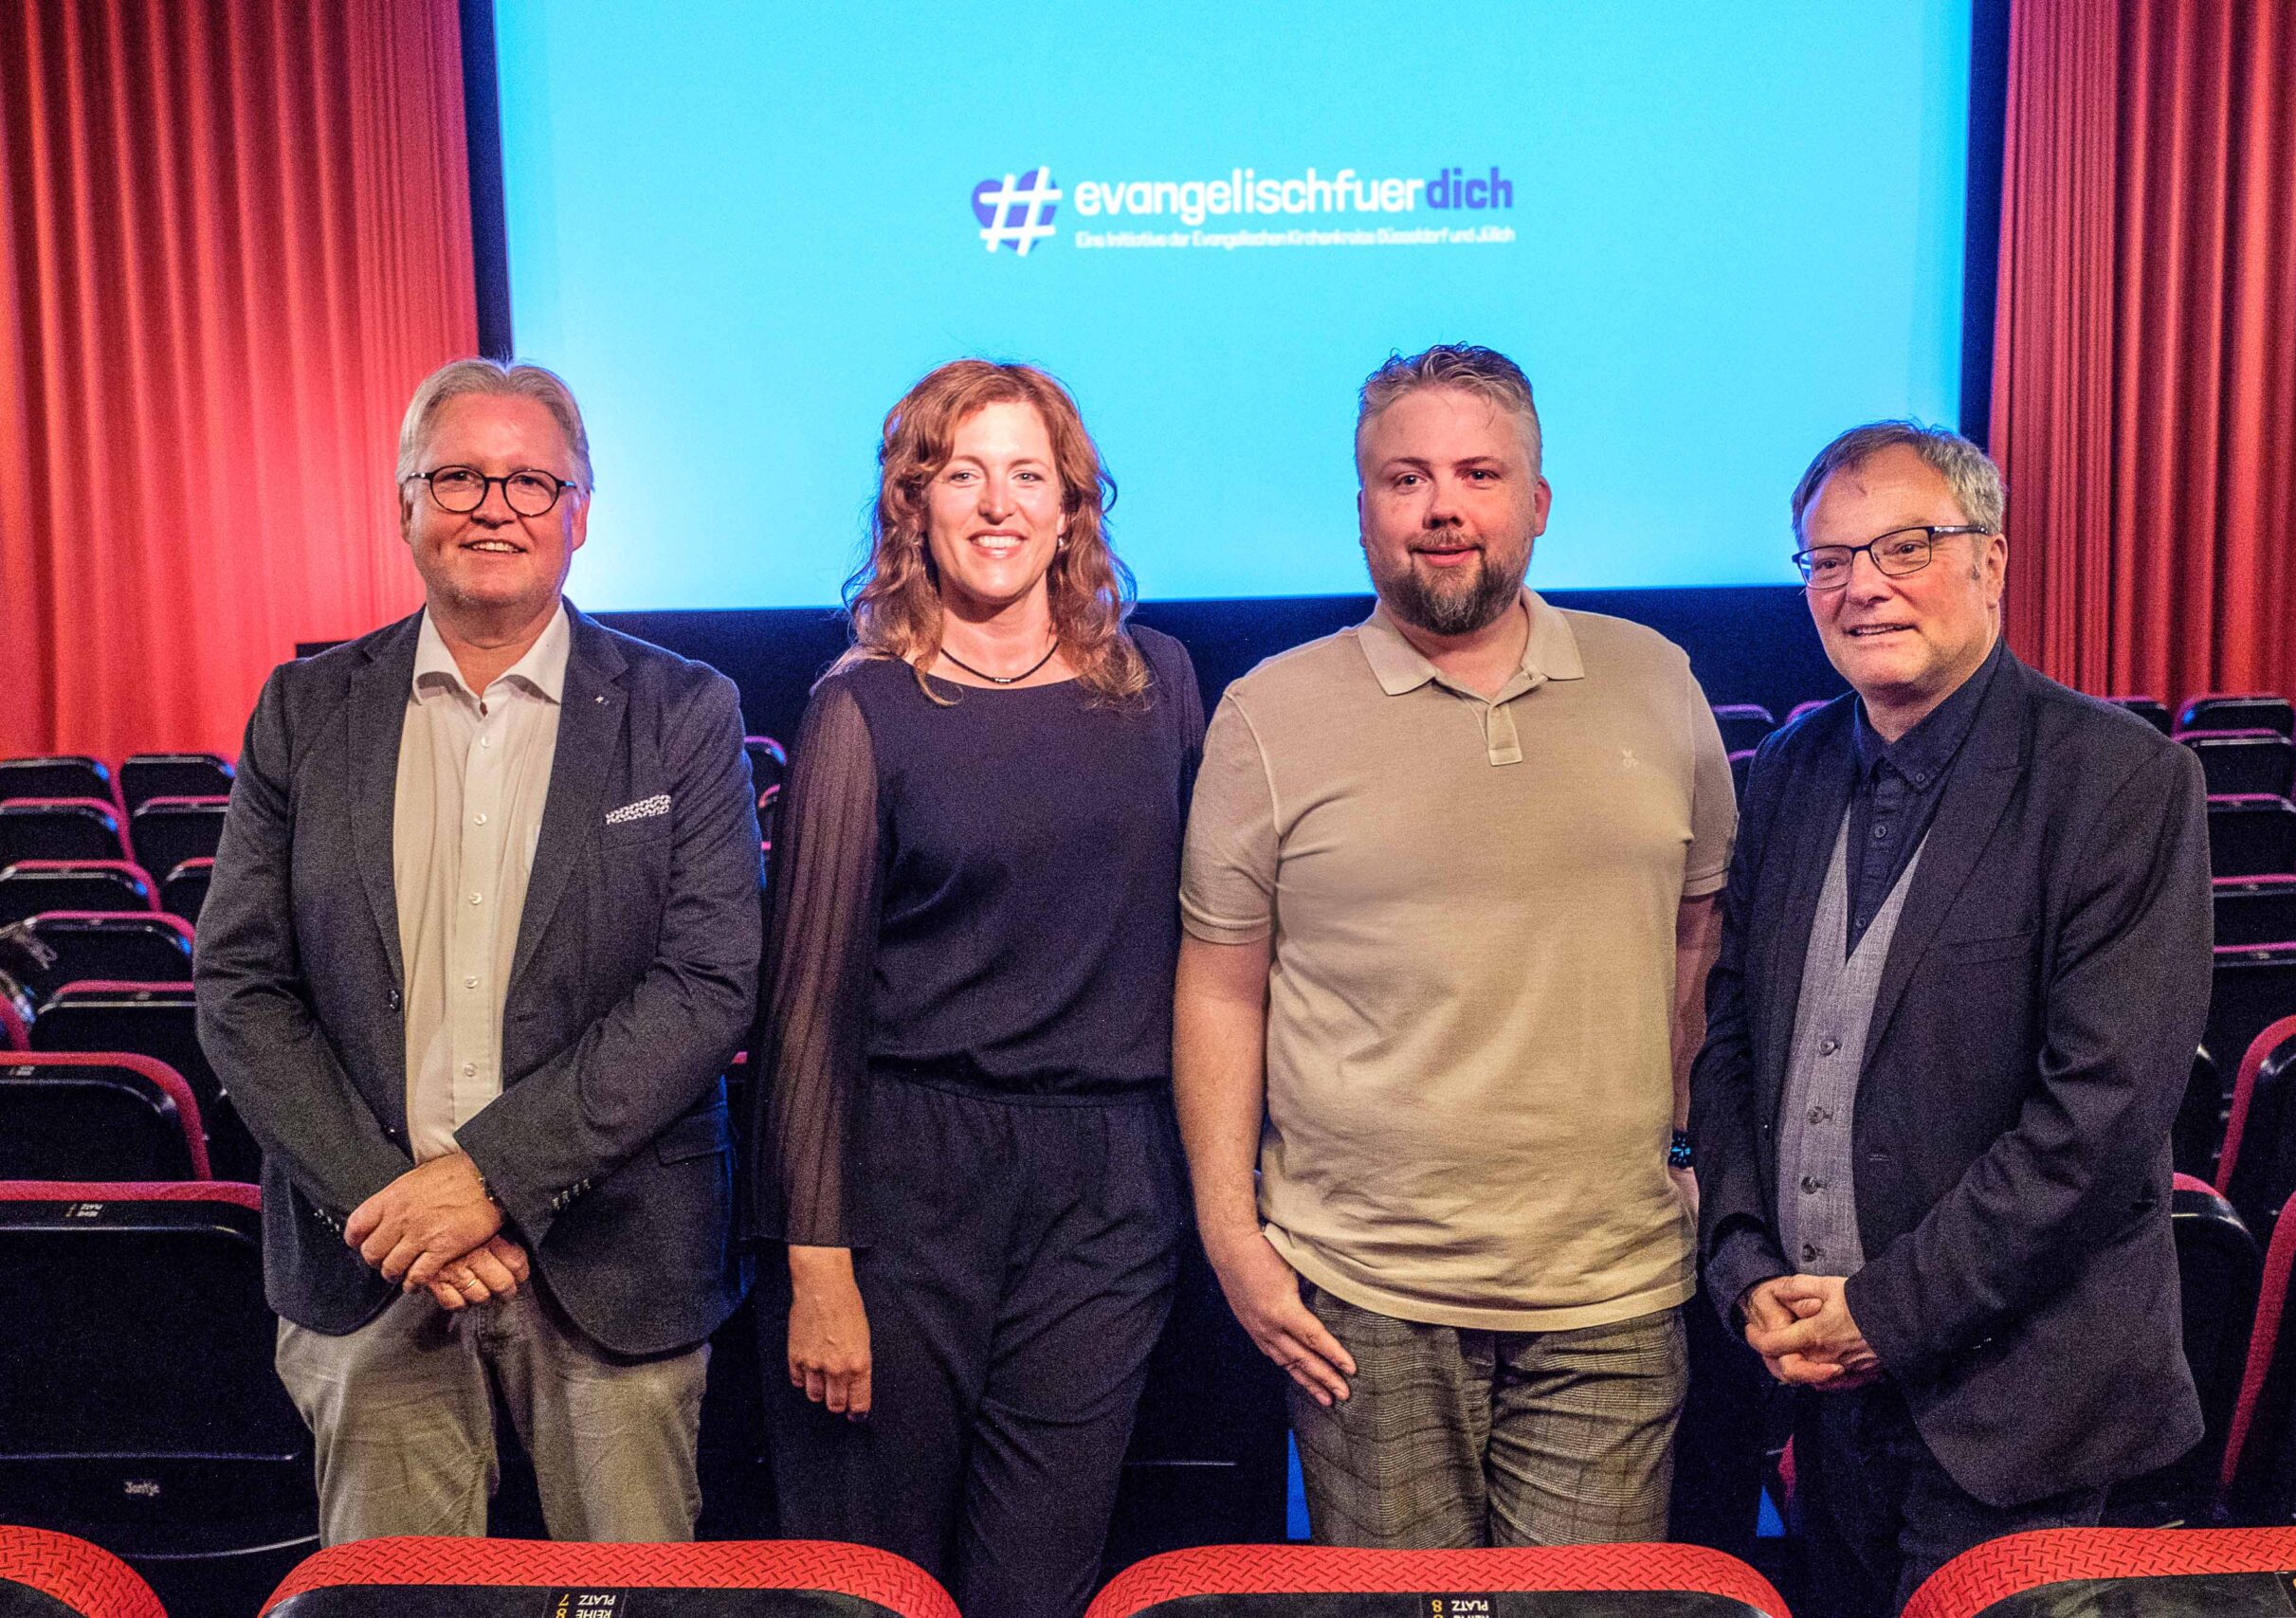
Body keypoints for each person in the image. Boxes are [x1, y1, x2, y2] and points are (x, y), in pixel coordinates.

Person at [1175, 343, 1736, 1548]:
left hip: (1615, 1293)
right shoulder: (1266, 713)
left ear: (1535, 504)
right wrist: (1233, 1239)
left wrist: (1686, 1139)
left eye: (1479, 474)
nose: (1442, 507)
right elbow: (1220, 989)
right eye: (1405, 477)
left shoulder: (1659, 681)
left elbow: (1699, 938)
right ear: (1363, 508)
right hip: (1355, 1298)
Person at [195, 358, 763, 1543]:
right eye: (457, 476)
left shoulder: (684, 711)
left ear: (580, 514)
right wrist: (392, 1207)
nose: (493, 506)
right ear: (404, 504)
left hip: (616, 1265)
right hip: (371, 1263)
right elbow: (242, 987)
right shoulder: (304, 711)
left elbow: (708, 985)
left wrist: (490, 1178)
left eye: (529, 481)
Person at [1691, 422, 2209, 1616]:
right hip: (1823, 1404)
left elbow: (2102, 1115)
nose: (1862, 584)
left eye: (1905, 545)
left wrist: (1883, 1312)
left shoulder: (2119, 781)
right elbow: (1733, 1047)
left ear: (1992, 561)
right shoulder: (1790, 769)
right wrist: (1744, 1261)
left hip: (2025, 1417)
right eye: (1827, 560)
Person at [751, 359, 1200, 1618]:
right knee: (878, 1585)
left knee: (1036, 1582)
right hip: (906, 1188)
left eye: (1026, 473)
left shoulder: (1158, 682)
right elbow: (807, 1011)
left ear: (1071, 506)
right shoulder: (866, 705)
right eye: (962, 473)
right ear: (916, 504)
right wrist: (819, 1267)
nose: (996, 503)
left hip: (1111, 1192)